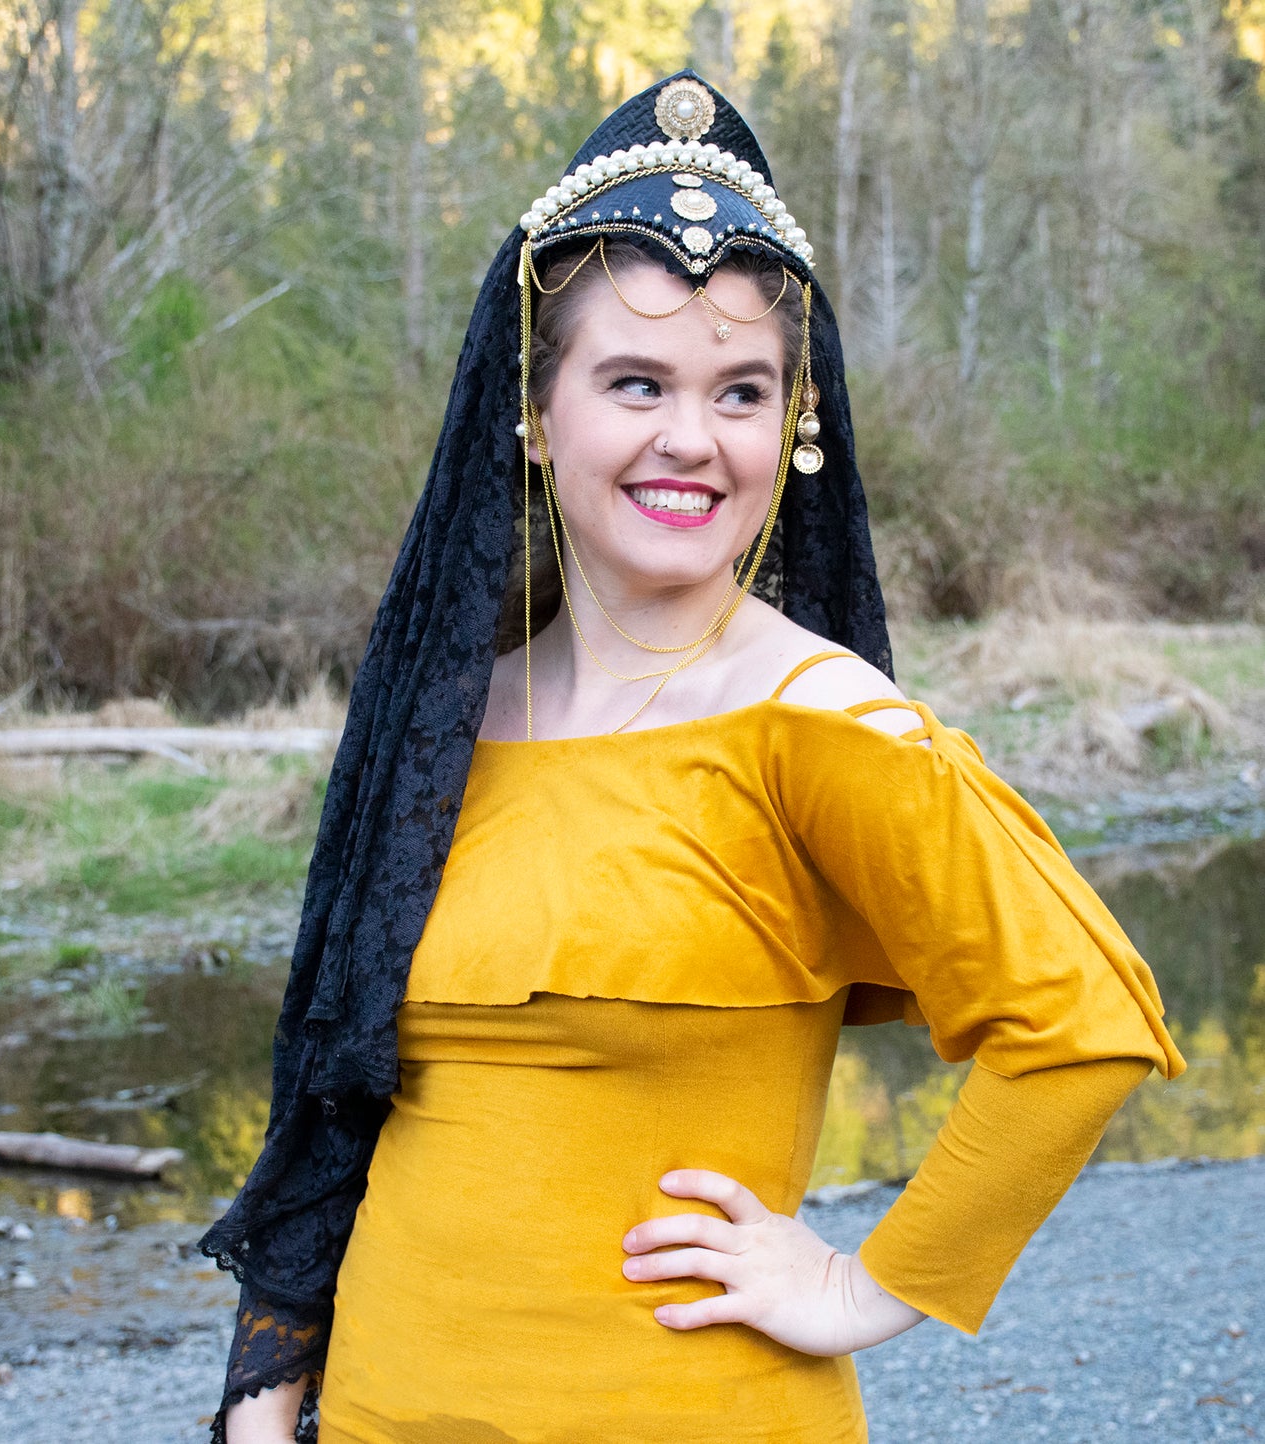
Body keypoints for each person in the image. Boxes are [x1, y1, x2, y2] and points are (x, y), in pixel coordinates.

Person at [203, 72, 1186, 1443]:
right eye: (634, 382)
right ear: (533, 414)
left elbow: (1081, 1026)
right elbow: (336, 1104)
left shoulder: (818, 720)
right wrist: (263, 1403)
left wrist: (863, 1283)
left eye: (741, 391)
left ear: (793, 425)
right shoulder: (438, 726)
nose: (690, 438)